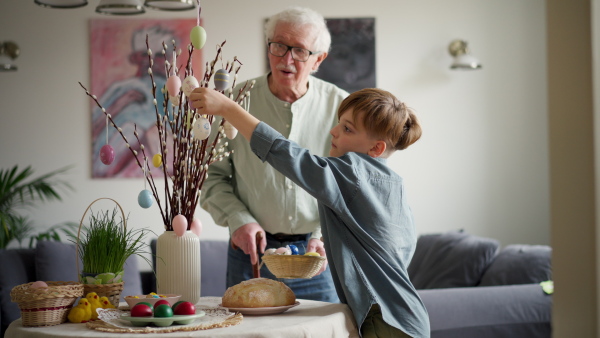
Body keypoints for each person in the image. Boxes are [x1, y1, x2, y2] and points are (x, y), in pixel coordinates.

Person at [191, 87, 430, 337]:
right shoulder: (393, 184)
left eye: (347, 129)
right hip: (407, 319)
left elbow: (290, 156)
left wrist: (229, 109)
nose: (334, 131)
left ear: (376, 149)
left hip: (386, 322)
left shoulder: (352, 172)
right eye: (339, 124)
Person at [200, 7, 348, 302]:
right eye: (279, 46)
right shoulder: (233, 102)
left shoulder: (342, 108)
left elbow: (345, 185)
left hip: (316, 256)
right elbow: (211, 177)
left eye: (300, 51)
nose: (286, 59)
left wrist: (322, 234)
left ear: (319, 59)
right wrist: (237, 218)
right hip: (251, 253)